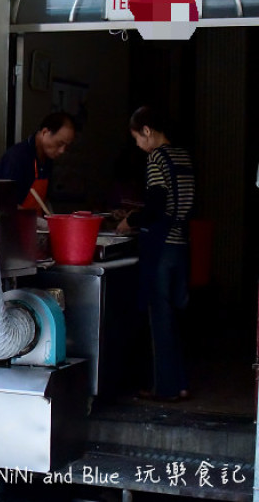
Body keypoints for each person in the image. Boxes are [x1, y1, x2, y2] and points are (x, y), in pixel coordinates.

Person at [117, 105, 195, 402]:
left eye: (137, 138)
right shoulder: (183, 156)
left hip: (161, 250)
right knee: (176, 317)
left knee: (159, 319)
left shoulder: (156, 159)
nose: (138, 145)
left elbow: (157, 207)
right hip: (181, 245)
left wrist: (130, 221)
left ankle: (164, 388)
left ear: (147, 131)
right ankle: (182, 383)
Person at [0, 112, 76, 212]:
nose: (62, 150)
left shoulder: (48, 159)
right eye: (59, 143)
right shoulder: (17, 157)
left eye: (66, 146)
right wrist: (33, 219)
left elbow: (44, 200)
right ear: (45, 132)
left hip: (34, 225)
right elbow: (3, 202)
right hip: (13, 224)